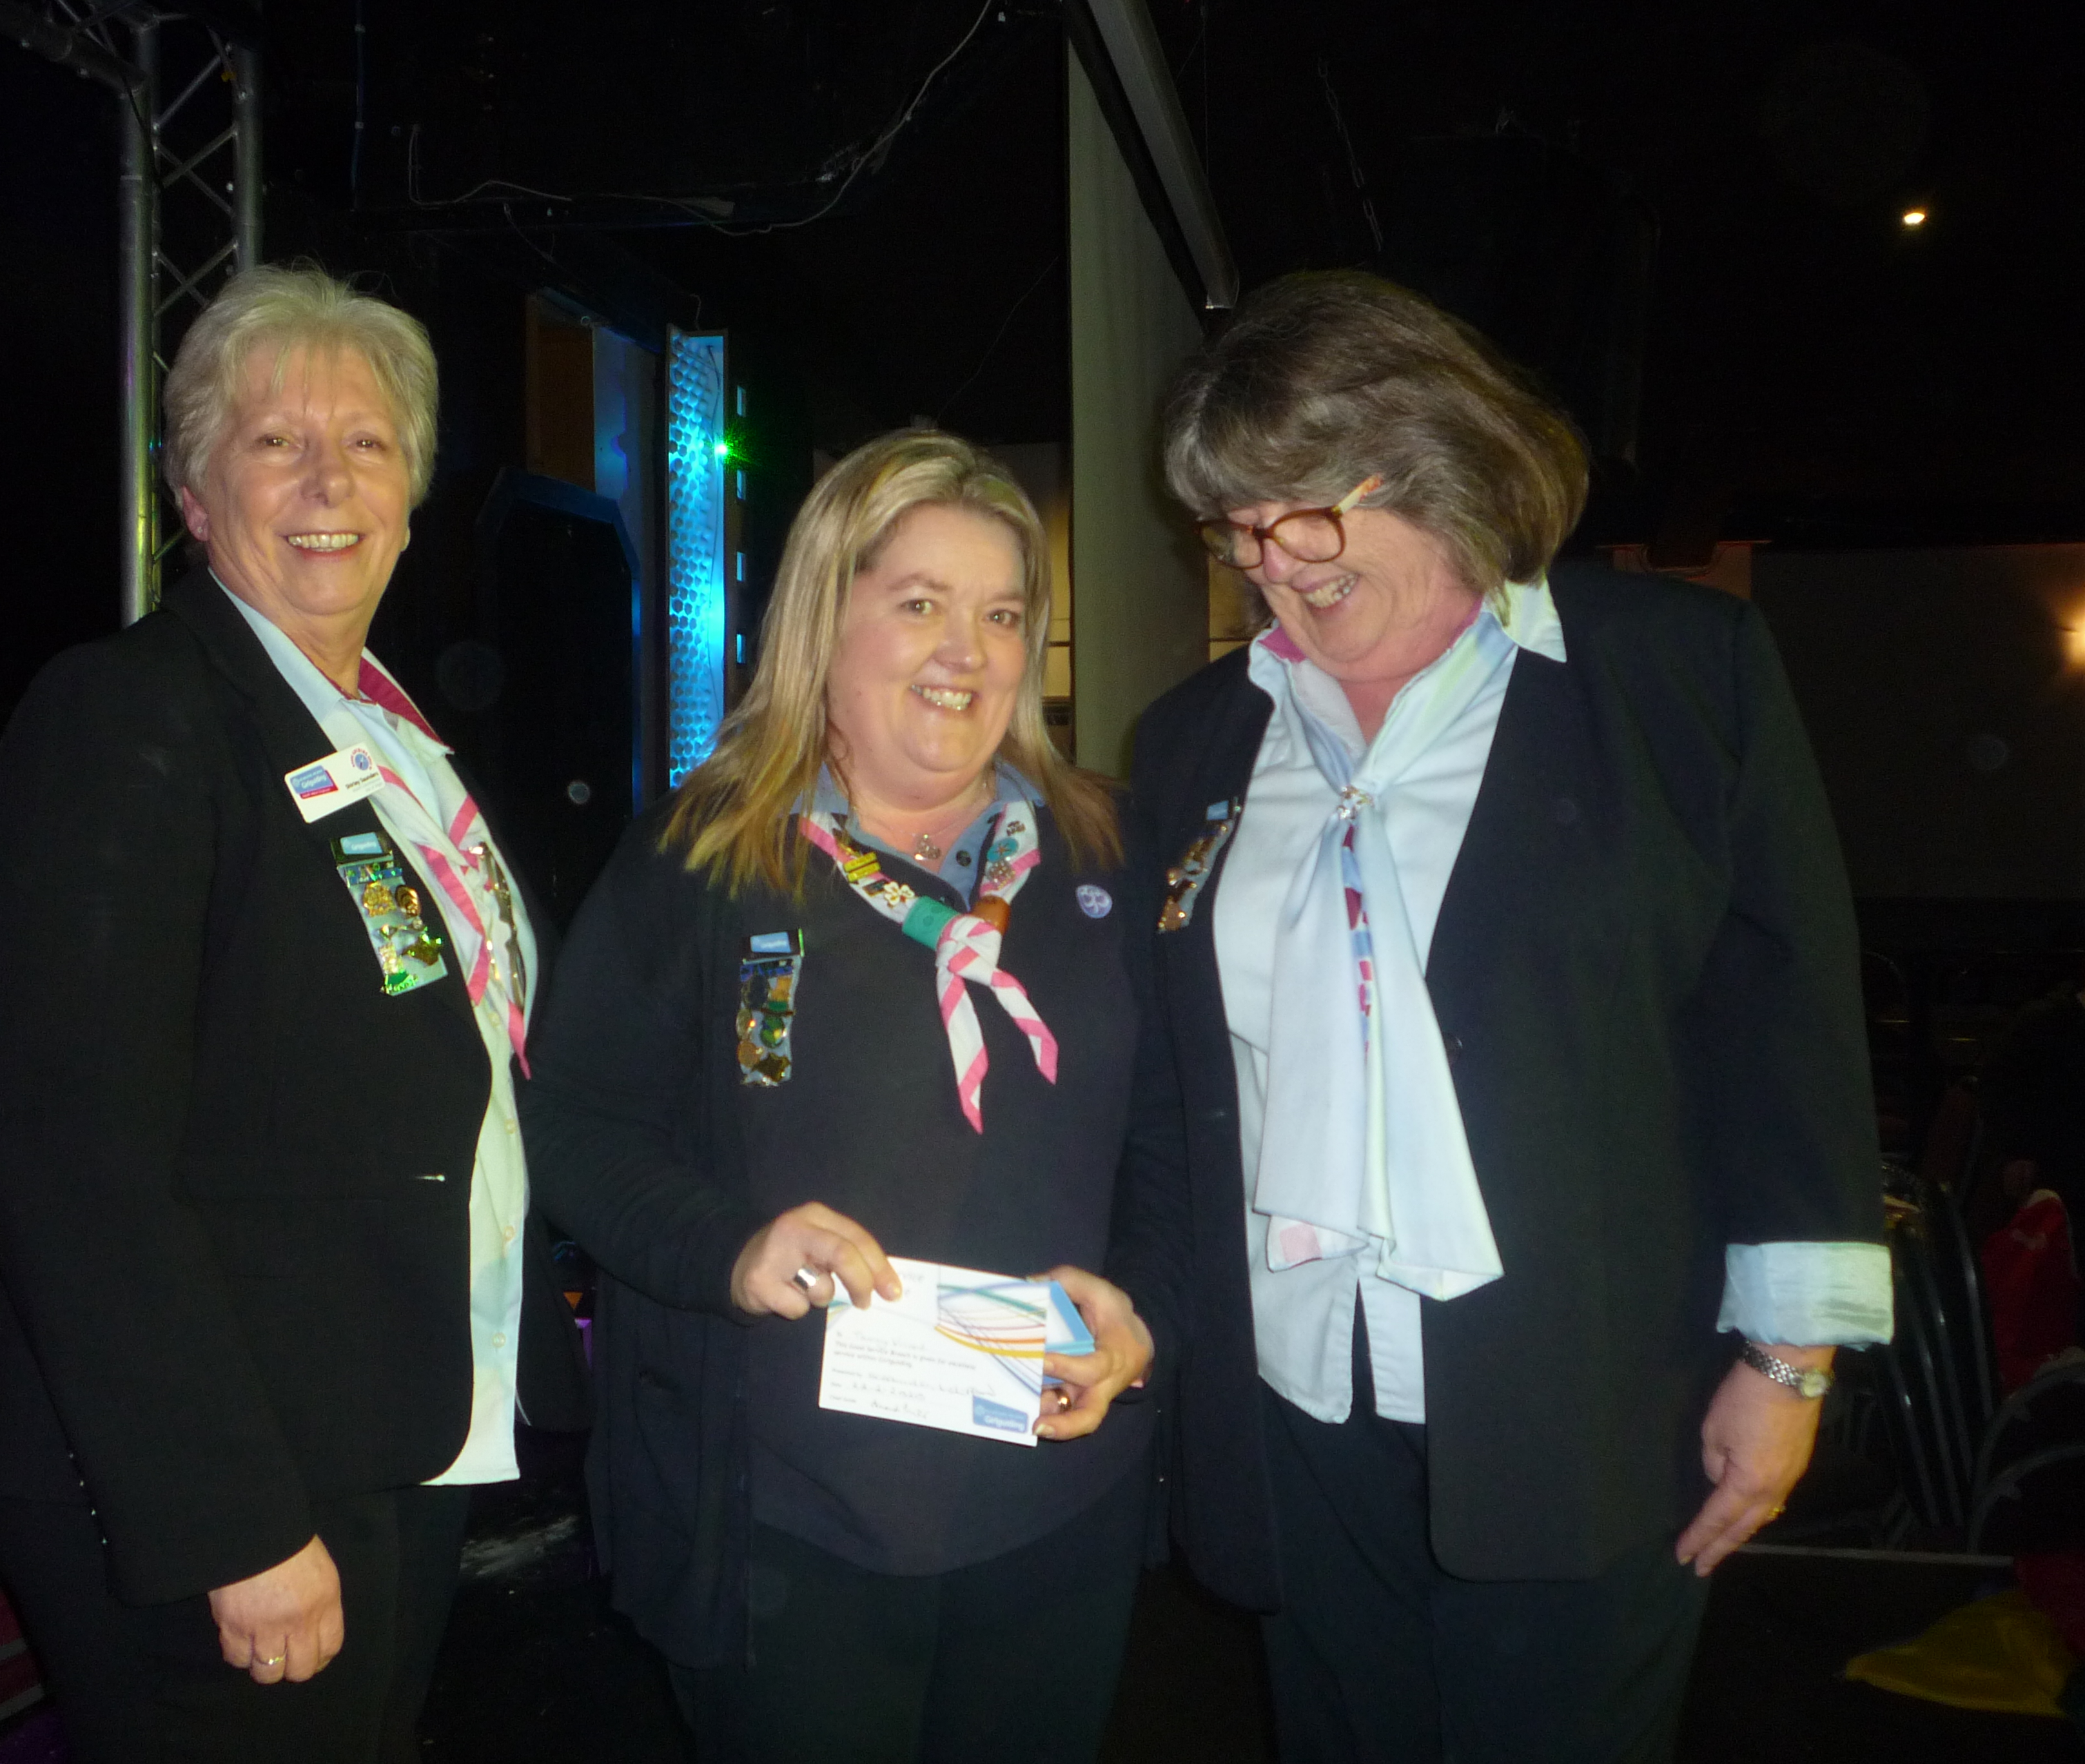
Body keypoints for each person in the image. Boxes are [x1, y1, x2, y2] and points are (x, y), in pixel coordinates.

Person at [1113, 271, 1893, 1762]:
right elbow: (1170, 1079)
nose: (1270, 567)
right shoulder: (1195, 741)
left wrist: (1791, 1363)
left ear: (1434, 464)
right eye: (1234, 529)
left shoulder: (1674, 676)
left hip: (1585, 1395)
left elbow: (1783, 1031)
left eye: (1301, 516)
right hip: (1293, 1393)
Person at [0, 264, 587, 1763]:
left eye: (368, 443)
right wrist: (230, 1519)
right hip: (209, 1467)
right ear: (195, 494)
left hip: (383, 1415)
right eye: (277, 442)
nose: (329, 481)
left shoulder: (388, 741)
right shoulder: (127, 715)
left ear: (413, 494)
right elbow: (73, 1164)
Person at [522, 430, 1160, 1764]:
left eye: (1003, 615)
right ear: (826, 614)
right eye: (920, 603)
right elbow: (576, 1126)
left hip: (1053, 1493)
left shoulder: (1104, 854)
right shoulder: (703, 859)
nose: (967, 652)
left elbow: (1179, 1148)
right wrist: (732, 1248)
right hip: (788, 1512)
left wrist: (1148, 1318)